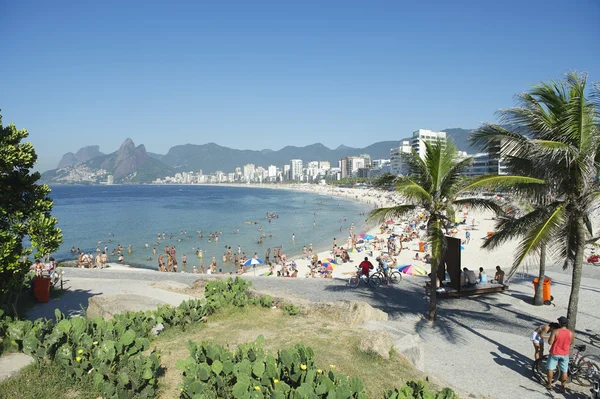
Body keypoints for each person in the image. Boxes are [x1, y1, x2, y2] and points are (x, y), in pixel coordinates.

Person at [546, 316, 574, 392]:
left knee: (550, 368)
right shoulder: (571, 333)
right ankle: (563, 386)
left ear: (560, 323)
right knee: (564, 371)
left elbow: (550, 342)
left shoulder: (555, 331)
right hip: (565, 354)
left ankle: (549, 384)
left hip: (555, 353)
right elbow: (571, 342)